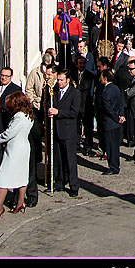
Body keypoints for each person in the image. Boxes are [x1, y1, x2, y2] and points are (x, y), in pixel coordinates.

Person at [0, 91, 34, 220]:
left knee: (2, 178)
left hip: (16, 149)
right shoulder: (28, 114)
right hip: (23, 146)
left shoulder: (19, 116)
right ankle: (20, 203)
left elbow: (10, 133)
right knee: (22, 175)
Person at [48, 69, 81, 197]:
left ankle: (73, 185)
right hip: (56, 129)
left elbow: (74, 113)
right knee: (58, 158)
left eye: (61, 80)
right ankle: (59, 182)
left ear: (68, 80)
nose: (59, 82)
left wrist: (58, 112)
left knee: (70, 159)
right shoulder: (54, 91)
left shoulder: (75, 93)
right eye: (58, 80)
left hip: (68, 130)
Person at [0, 66, 22, 182]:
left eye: (6, 76)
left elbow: (15, 106)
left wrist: (0, 107)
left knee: (9, 153)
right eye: (2, 75)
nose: (3, 78)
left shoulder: (15, 89)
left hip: (8, 124)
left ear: (11, 77)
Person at [99, 69, 125, 174]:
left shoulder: (105, 92)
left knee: (110, 146)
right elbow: (120, 103)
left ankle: (113, 166)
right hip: (116, 121)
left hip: (110, 122)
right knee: (115, 145)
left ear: (105, 79)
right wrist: (121, 115)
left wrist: (116, 117)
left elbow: (108, 109)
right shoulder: (116, 88)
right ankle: (115, 165)